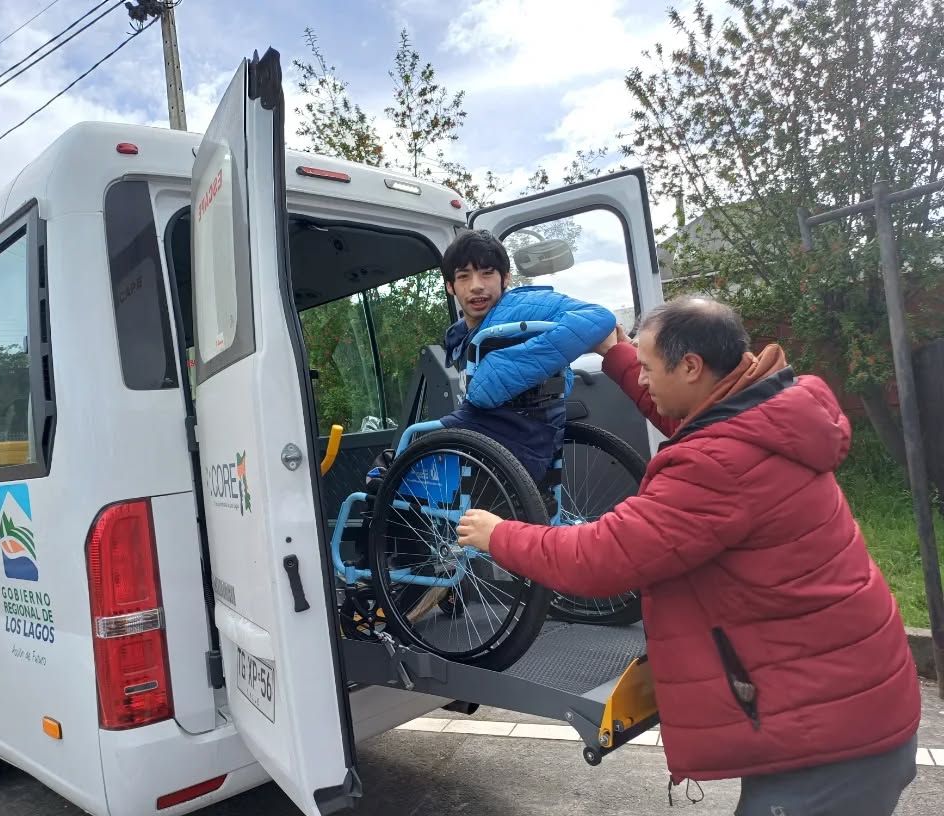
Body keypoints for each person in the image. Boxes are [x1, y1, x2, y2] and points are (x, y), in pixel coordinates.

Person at [457, 296, 922, 816]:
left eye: (650, 366)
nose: (646, 379)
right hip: (843, 706)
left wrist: (499, 536)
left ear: (692, 366)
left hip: (828, 744)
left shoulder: (719, 466)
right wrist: (617, 353)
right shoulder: (761, 407)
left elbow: (603, 555)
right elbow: (685, 410)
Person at [369, 228, 617, 491]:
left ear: (506, 278)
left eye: (487, 273)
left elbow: (598, 317)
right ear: (450, 287)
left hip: (514, 446)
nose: (476, 285)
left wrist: (502, 369)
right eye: (464, 276)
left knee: (388, 475)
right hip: (486, 438)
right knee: (387, 470)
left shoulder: (521, 306)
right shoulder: (462, 336)